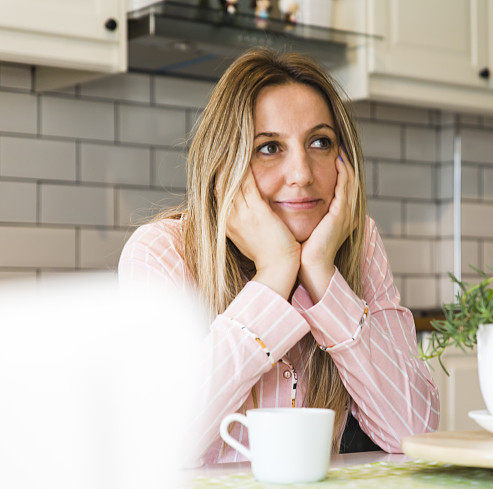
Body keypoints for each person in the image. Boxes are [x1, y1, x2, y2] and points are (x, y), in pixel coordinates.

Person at [117, 47, 440, 465]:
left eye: (320, 143)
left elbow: (414, 432)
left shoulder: (358, 245)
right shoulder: (161, 252)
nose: (303, 174)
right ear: (225, 162)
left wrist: (323, 275)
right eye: (269, 148)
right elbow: (156, 443)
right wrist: (274, 274)